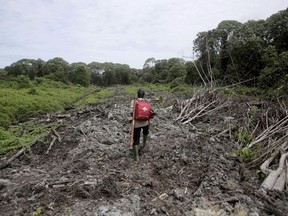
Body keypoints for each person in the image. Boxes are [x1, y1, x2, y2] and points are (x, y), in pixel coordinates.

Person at [130, 89, 154, 161]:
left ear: (137, 94)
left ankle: (136, 156)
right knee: (145, 133)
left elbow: (131, 112)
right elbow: (150, 113)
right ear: (144, 95)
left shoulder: (134, 101)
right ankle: (144, 144)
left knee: (136, 138)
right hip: (145, 122)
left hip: (137, 123)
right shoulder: (147, 102)